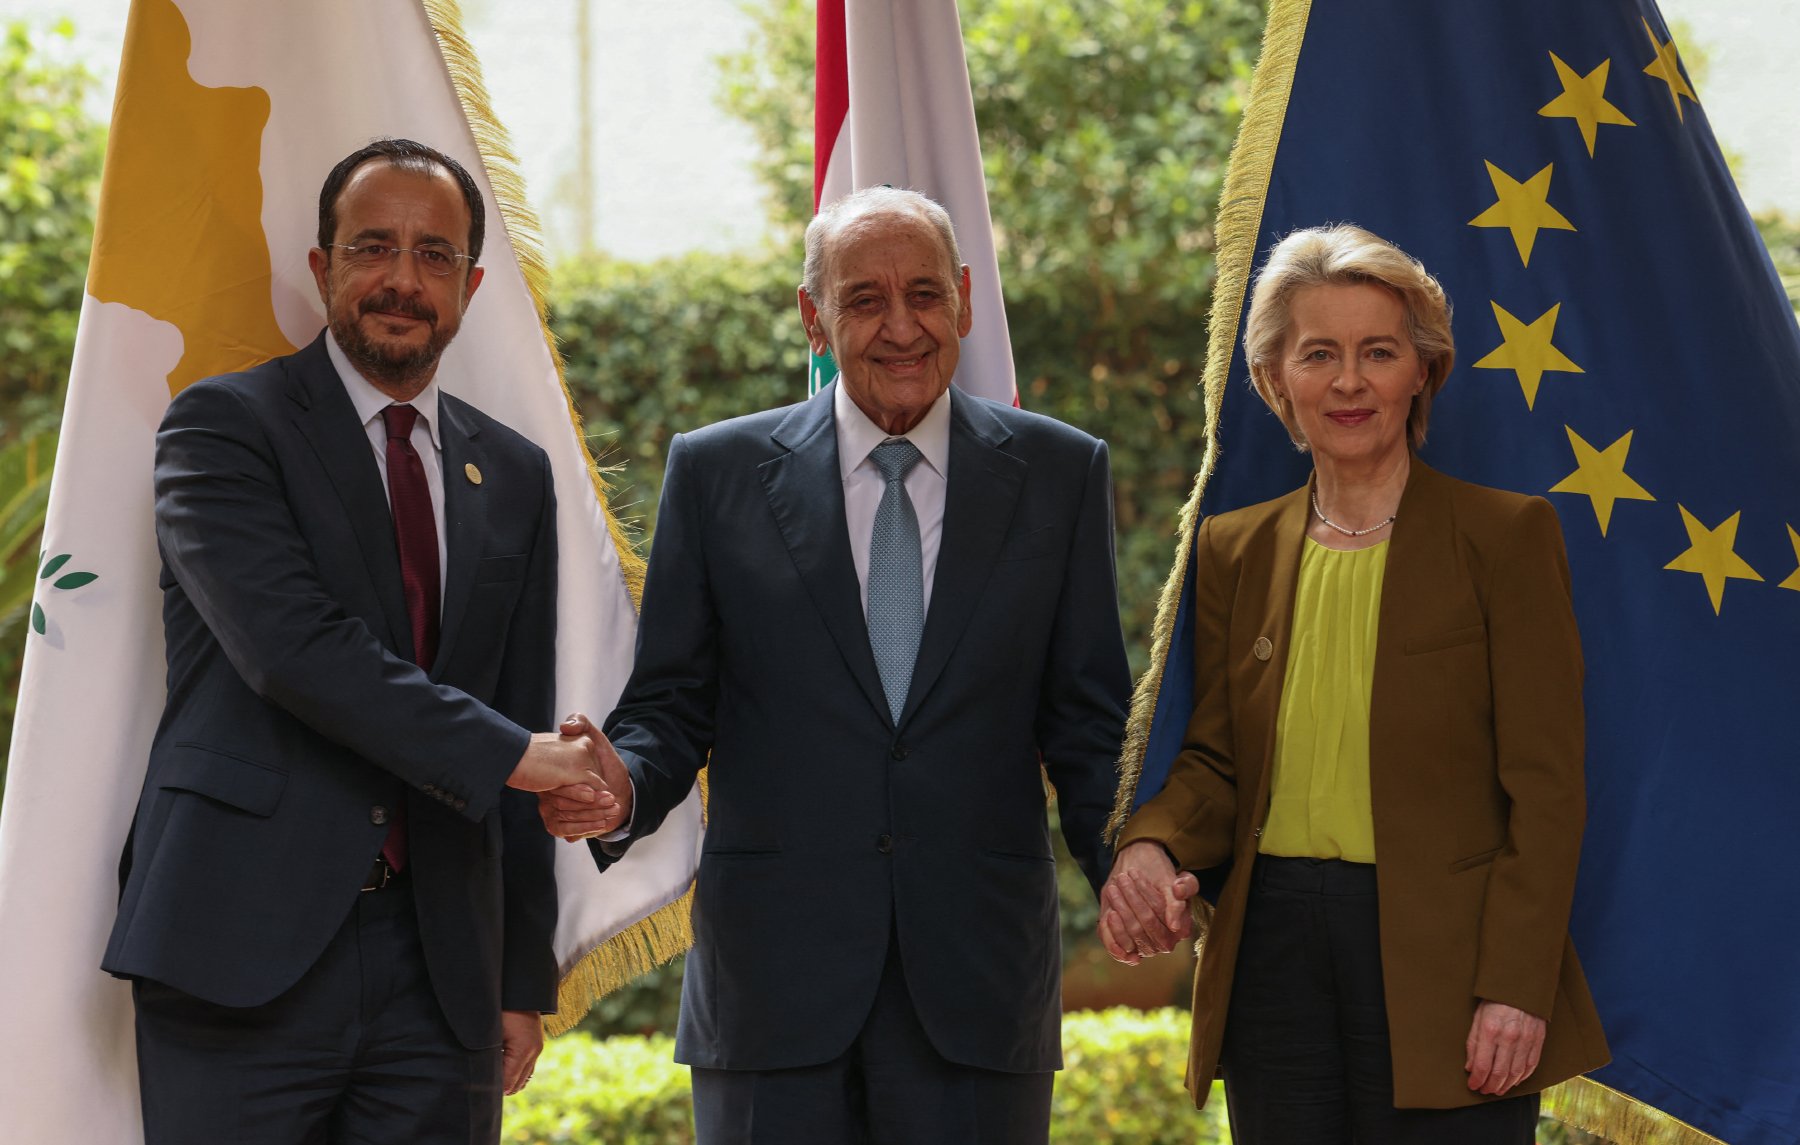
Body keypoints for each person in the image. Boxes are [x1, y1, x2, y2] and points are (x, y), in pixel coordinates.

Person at [545, 186, 1131, 1144]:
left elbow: (1087, 723)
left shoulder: (1061, 474)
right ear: (813, 315)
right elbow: (671, 705)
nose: (901, 326)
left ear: (967, 301)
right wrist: (621, 787)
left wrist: (1130, 859)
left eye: (925, 294)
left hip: (978, 991)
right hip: (772, 994)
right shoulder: (716, 472)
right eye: (864, 299)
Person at [103, 138, 623, 1145]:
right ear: (320, 267)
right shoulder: (222, 428)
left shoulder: (511, 472)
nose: (401, 279)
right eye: (371, 247)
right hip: (238, 945)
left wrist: (519, 977)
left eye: (434, 256)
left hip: (439, 979)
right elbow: (295, 648)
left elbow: (517, 699)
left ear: (470, 285)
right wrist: (522, 758)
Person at [1100, 224, 1610, 1144]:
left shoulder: (1505, 537)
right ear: (1274, 380)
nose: (1349, 381)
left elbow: (1548, 787)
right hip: (1272, 955)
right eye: (1319, 354)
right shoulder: (1233, 546)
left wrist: (1514, 985)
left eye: (1379, 352)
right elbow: (1217, 759)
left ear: (1422, 372)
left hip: (1451, 964)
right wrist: (1152, 846)